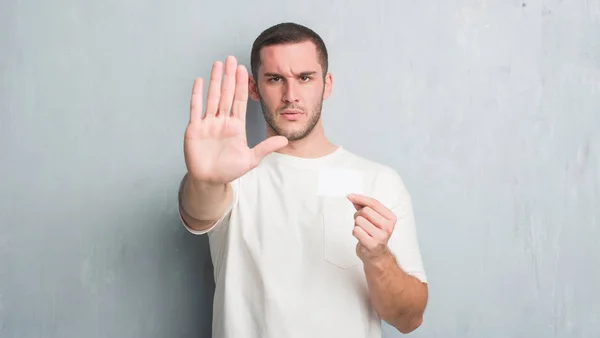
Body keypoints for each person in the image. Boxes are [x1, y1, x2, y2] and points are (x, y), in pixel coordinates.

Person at [178, 22, 428, 338]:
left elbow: (409, 319)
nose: (290, 95)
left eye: (305, 78)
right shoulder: (234, 177)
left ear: (326, 84)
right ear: (254, 89)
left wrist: (378, 258)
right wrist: (205, 180)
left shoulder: (378, 181)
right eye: (275, 79)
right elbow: (197, 212)